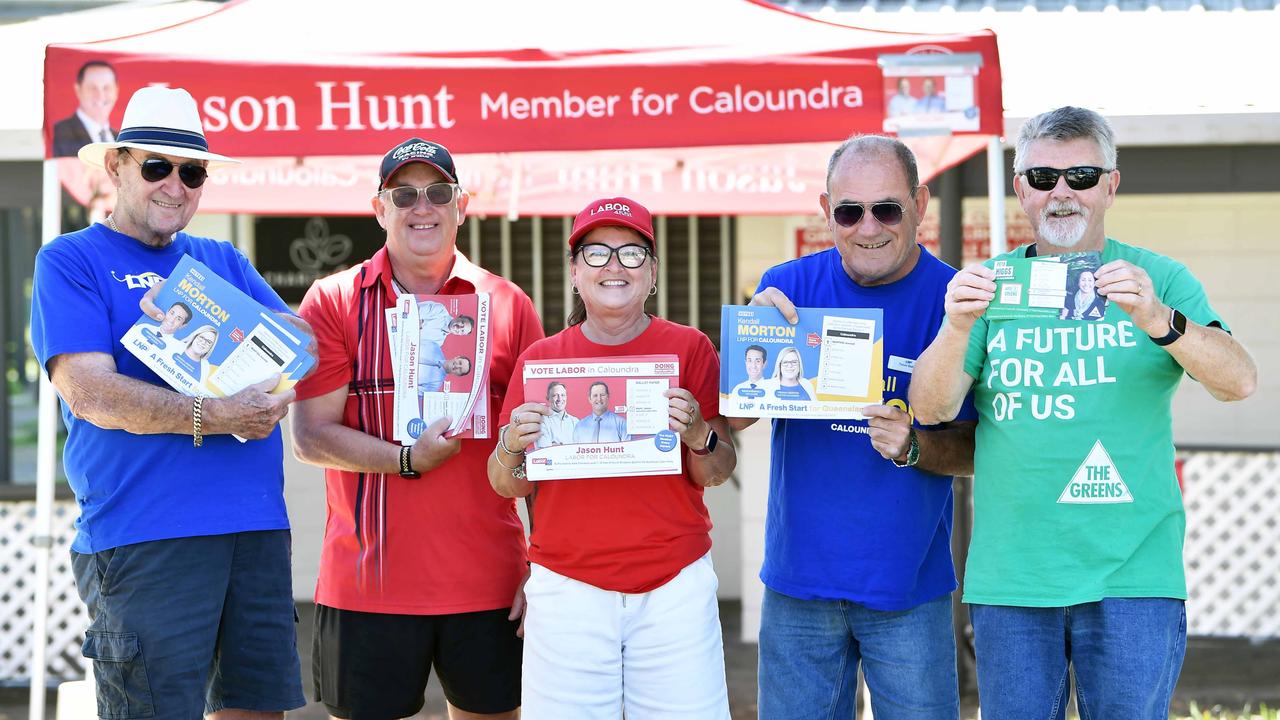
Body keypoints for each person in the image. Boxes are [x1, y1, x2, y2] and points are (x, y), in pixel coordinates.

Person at [910, 106, 1258, 719]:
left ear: (1111, 185)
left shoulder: (1160, 278)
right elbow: (931, 409)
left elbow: (1239, 382)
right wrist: (955, 322)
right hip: (1013, 580)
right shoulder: (989, 286)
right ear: (1020, 189)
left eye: (1082, 176)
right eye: (1043, 178)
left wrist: (1159, 321)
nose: (1063, 193)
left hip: (1134, 578)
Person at [30, 86, 309, 719]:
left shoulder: (222, 259)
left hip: (255, 529)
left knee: (257, 708)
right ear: (116, 166)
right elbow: (91, 393)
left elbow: (298, 352)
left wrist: (278, 377)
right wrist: (217, 413)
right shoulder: (70, 260)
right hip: (145, 535)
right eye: (156, 165)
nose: (174, 184)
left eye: (192, 171)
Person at [291, 137, 543, 720]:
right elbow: (310, 436)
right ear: (380, 209)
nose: (421, 207)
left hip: (490, 581)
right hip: (366, 583)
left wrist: (544, 567)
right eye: (404, 194)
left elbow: (542, 451)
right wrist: (406, 459)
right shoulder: (332, 300)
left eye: (437, 192)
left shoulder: (507, 304)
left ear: (462, 205)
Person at [737, 135, 978, 719]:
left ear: (921, 203)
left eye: (887, 208)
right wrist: (753, 344)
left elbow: (974, 447)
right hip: (798, 586)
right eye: (850, 211)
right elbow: (735, 416)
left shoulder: (955, 301)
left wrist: (914, 445)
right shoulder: (786, 287)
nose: (868, 226)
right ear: (827, 211)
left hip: (908, 589)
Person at [489, 196, 737, 719]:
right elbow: (506, 483)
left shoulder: (689, 348)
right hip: (567, 588)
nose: (614, 266)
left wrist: (697, 433)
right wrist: (512, 443)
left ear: (652, 273)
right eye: (597, 253)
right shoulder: (542, 361)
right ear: (575, 270)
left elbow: (718, 470)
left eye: (631, 252)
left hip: (674, 585)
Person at [52, 60, 119, 157]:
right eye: (92, 88)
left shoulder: (122, 140)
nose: (100, 95)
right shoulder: (59, 133)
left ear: (116, 91)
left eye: (106, 88)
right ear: (78, 90)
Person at [534, 381, 578, 448]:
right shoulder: (541, 421)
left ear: (566, 397)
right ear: (548, 398)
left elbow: (582, 449)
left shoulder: (575, 422)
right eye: (555, 395)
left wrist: (557, 447)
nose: (560, 399)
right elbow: (544, 452)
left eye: (562, 395)